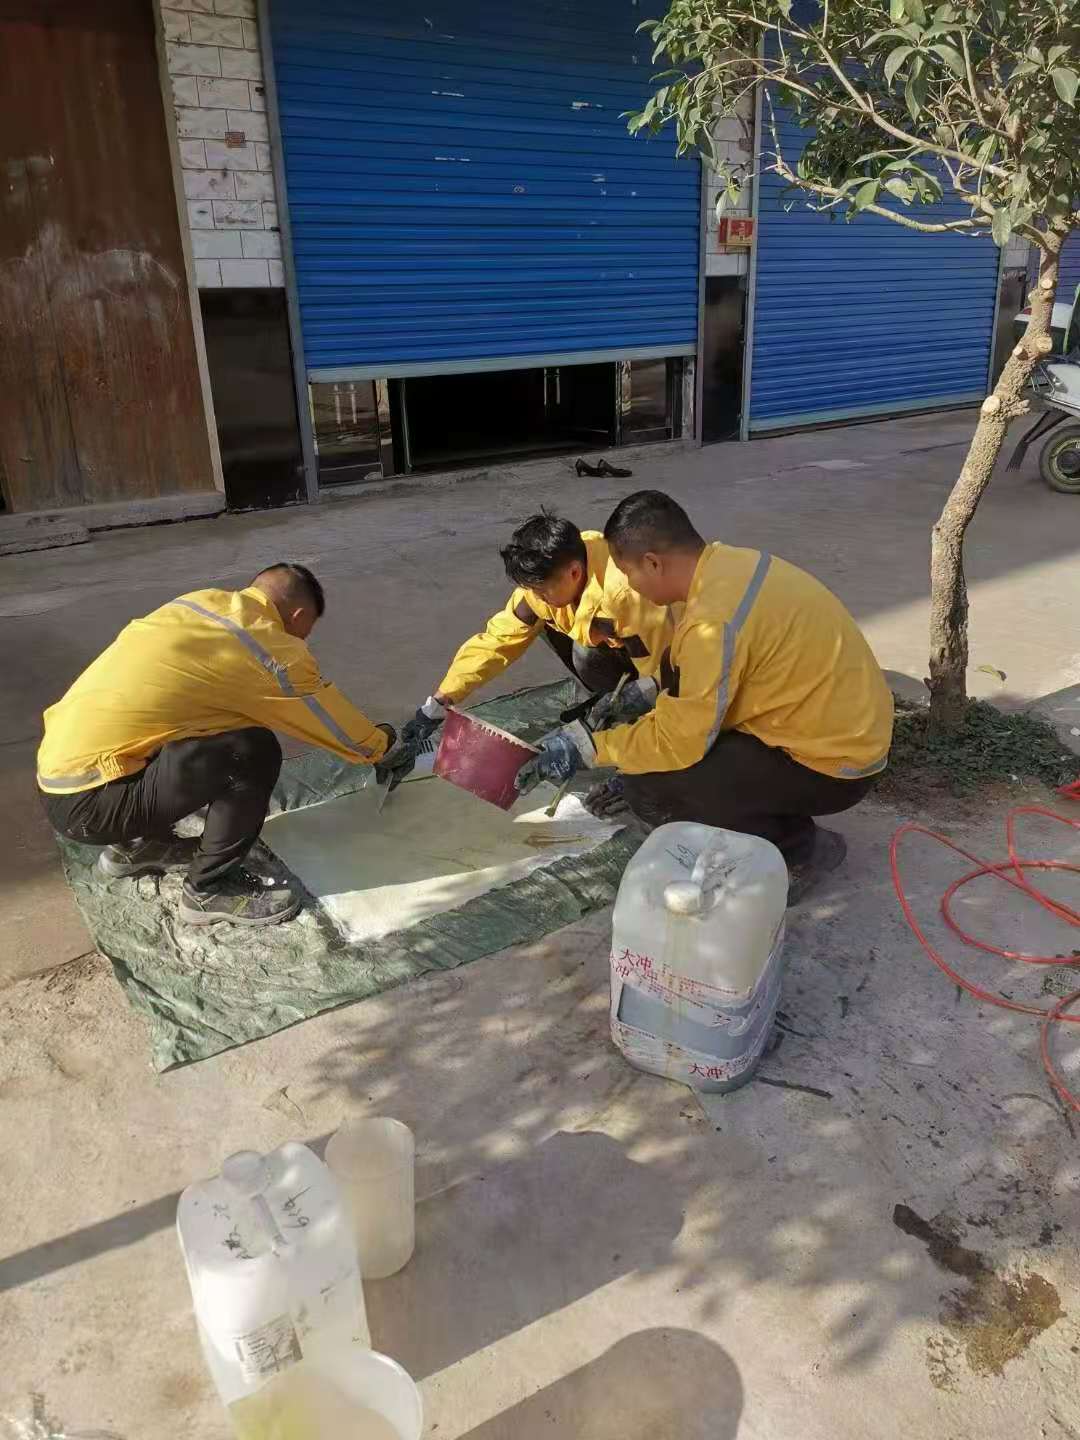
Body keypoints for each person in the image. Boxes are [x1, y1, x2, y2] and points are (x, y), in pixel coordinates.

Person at [515, 491, 894, 901]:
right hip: (842, 730)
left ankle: (798, 853)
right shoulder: (733, 566)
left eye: (628, 574)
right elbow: (706, 674)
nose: (629, 588)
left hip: (836, 767)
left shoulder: (711, 623)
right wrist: (645, 692)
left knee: (652, 785)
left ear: (653, 562)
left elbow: (679, 742)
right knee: (666, 752)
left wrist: (587, 748)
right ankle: (779, 818)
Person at [37, 563, 396, 927]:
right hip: (94, 805)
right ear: (300, 614)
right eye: (306, 630)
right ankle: (208, 890)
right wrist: (384, 748)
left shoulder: (197, 604)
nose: (302, 641)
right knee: (252, 752)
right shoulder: (268, 647)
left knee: (194, 719)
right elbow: (329, 721)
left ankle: (141, 846)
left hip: (65, 779)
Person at [391, 510, 674, 758]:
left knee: (594, 661)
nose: (536, 597)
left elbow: (665, 675)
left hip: (667, 657)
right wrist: (439, 703)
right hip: (620, 645)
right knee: (546, 625)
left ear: (574, 573)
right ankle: (611, 697)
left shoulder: (628, 596)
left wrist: (627, 746)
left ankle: (625, 711)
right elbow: (498, 641)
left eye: (541, 590)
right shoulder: (547, 583)